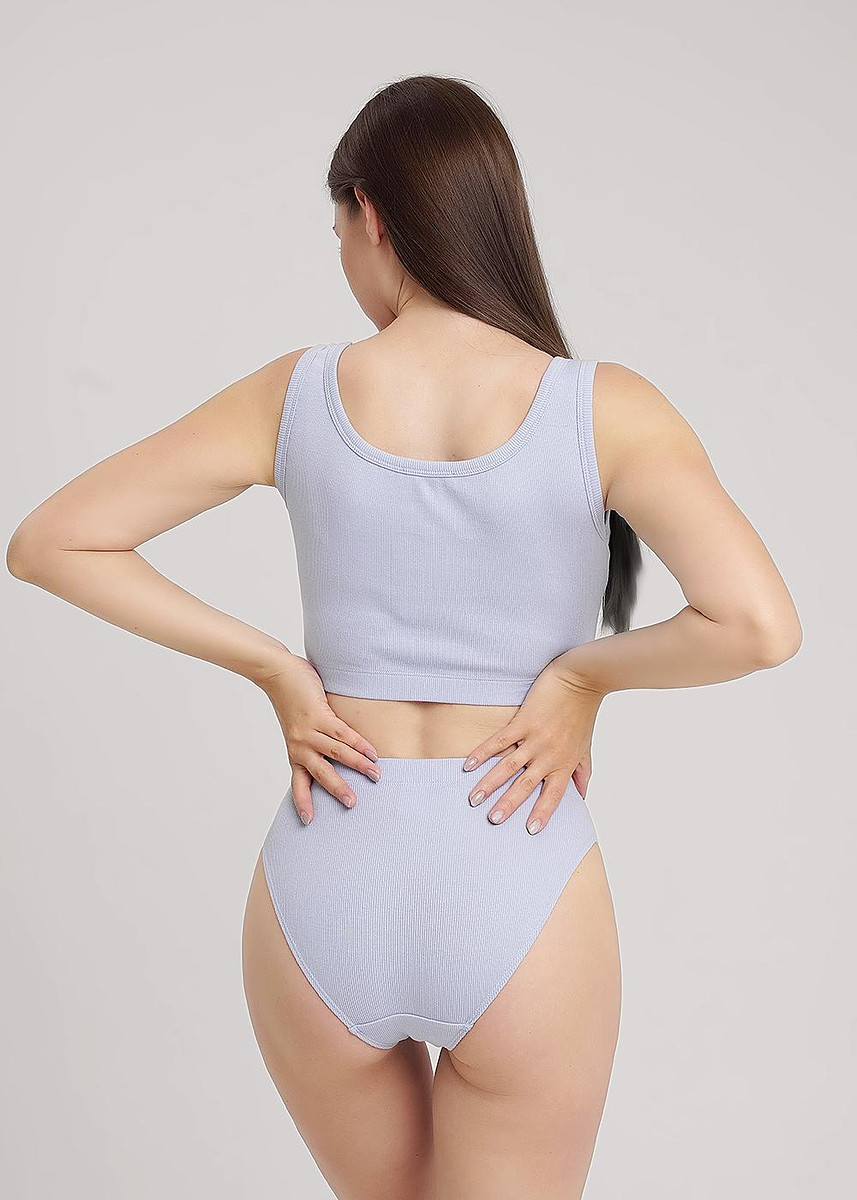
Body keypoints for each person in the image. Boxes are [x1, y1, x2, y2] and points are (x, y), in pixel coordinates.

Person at [6, 75, 802, 1200]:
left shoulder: (296, 393)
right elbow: (757, 626)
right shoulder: (601, 406)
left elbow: (50, 541)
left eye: (337, 228)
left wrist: (277, 670)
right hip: (516, 868)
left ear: (370, 215)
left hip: (326, 867)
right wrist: (580, 677)